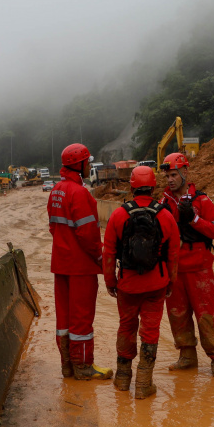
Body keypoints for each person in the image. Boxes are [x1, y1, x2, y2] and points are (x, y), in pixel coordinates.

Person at [103, 166, 179, 399]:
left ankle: (123, 379)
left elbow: (108, 252)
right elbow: (174, 253)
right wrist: (170, 282)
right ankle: (144, 383)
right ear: (154, 186)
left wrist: (110, 281)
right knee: (151, 330)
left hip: (127, 284)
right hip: (155, 283)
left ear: (132, 186)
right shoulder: (165, 215)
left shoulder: (118, 215)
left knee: (126, 325)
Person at [159, 152, 214, 377]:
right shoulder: (164, 202)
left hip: (199, 267)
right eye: (167, 176)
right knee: (177, 314)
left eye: (173, 175)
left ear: (184, 172)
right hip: (175, 269)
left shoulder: (202, 200)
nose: (170, 180)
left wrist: (194, 219)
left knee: (206, 313)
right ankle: (187, 356)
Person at [47, 143, 112, 380]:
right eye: (87, 161)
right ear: (80, 164)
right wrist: (100, 256)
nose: (89, 165)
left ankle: (67, 366)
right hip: (81, 266)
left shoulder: (56, 190)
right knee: (82, 317)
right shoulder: (79, 193)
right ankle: (84, 366)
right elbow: (88, 234)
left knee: (63, 318)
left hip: (61, 263)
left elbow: (54, 227)